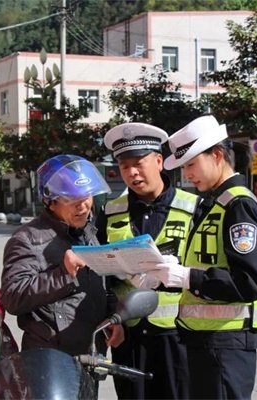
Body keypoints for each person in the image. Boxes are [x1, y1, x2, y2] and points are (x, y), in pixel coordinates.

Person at [143, 115, 257, 399]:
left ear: (217, 155)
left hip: (226, 343)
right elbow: (210, 263)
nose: (187, 174)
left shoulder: (238, 205)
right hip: (207, 340)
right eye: (183, 167)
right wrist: (170, 275)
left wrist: (188, 277)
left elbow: (250, 281)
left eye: (191, 164)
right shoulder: (216, 203)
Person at [96, 122, 198, 399]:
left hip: (178, 335)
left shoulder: (194, 208)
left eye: (139, 164)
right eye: (124, 166)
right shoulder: (110, 212)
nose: (132, 173)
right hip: (128, 335)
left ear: (159, 161)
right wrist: (111, 315)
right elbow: (99, 274)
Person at [0, 154, 123, 356]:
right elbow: (13, 297)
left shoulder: (88, 232)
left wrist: (113, 318)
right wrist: (63, 273)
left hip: (92, 353)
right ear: (50, 201)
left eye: (86, 197)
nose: (82, 206)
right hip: (50, 357)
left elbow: (102, 285)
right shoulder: (27, 239)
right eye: (71, 199)